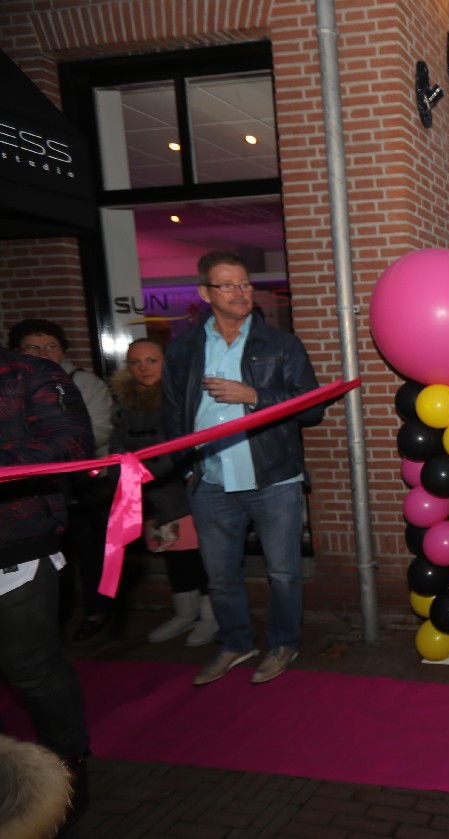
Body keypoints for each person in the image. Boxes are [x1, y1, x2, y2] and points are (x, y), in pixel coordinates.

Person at [163, 251, 324, 687]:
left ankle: (283, 642)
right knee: (220, 577)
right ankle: (235, 642)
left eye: (245, 284)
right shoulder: (183, 349)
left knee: (283, 573)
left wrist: (253, 395)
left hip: (273, 478)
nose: (240, 292)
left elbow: (311, 409)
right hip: (210, 480)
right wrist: (187, 471)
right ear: (205, 293)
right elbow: (174, 414)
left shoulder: (282, 345)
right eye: (228, 285)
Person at [0, 344, 94, 832]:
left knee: (33, 669)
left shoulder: (27, 373)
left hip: (14, 542)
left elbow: (71, 442)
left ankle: (66, 774)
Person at [8, 318, 116, 641]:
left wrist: (37, 449)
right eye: (33, 347)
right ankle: (58, 616)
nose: (43, 353)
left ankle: (97, 611)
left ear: (63, 350)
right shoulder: (13, 381)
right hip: (32, 489)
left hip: (83, 483)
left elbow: (96, 431)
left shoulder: (84, 382)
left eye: (51, 346)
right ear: (17, 351)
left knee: (91, 552)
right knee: (55, 559)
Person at [110, 338, 218, 646]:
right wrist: (122, 473)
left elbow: (188, 443)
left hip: (183, 490)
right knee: (172, 555)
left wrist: (146, 472)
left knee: (198, 555)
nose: (143, 368)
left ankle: (211, 616)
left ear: (166, 363)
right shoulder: (123, 401)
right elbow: (118, 444)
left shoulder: (181, 396)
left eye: (151, 361)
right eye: (135, 362)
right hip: (147, 495)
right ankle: (185, 612)